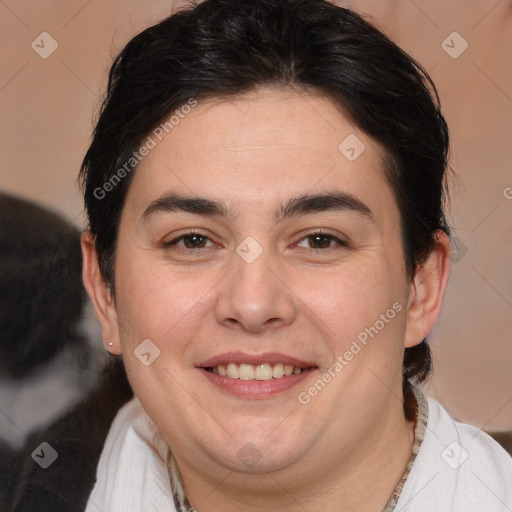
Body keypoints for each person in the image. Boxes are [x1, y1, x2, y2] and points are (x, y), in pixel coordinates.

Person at [38, 0, 512, 510]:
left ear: (421, 287)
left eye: (319, 240)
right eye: (192, 240)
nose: (253, 304)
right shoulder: (34, 486)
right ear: (105, 291)